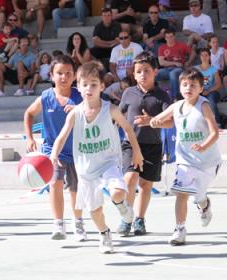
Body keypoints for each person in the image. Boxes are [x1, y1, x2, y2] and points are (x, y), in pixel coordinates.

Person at [50, 61, 143, 252]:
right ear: (79, 86)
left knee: (117, 192)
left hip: (108, 162)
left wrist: (137, 152)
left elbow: (128, 129)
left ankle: (122, 206)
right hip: (86, 168)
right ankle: (104, 233)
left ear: (102, 86)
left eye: (94, 84)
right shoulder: (75, 113)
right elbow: (61, 136)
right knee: (94, 210)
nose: (89, 88)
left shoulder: (111, 109)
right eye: (85, 84)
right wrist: (53, 156)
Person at [145, 68, 221, 245]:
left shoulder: (203, 106)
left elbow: (215, 133)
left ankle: (205, 205)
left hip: (206, 162)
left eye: (193, 85)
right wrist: (151, 121)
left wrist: (203, 145)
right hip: (185, 161)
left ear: (201, 88)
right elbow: (160, 120)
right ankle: (179, 229)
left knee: (198, 197)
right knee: (181, 193)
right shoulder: (176, 106)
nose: (188, 88)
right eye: (185, 84)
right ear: (179, 87)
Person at [24, 55, 87, 241]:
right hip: (53, 150)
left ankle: (78, 223)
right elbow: (28, 113)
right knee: (55, 183)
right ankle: (58, 223)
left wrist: (79, 109)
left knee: (76, 189)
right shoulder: (45, 97)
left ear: (74, 76)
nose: (64, 77)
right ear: (51, 75)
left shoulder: (81, 96)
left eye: (68, 73)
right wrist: (29, 138)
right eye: (59, 73)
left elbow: (94, 115)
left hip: (77, 150)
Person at [118, 51, 172, 236]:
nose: (143, 74)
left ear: (155, 71)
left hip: (153, 146)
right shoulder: (128, 93)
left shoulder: (162, 96)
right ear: (134, 73)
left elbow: (171, 122)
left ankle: (139, 220)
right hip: (131, 145)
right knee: (130, 179)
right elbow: (118, 115)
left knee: (146, 185)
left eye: (147, 70)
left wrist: (152, 121)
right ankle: (126, 218)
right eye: (139, 71)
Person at [156, 29, 195, 100]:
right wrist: (174, 63)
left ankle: (175, 97)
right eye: (167, 37)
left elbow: (193, 53)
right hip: (166, 69)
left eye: (171, 36)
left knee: (173, 74)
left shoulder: (181, 45)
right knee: (154, 73)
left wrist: (188, 62)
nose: (170, 39)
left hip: (179, 69)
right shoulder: (162, 48)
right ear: (165, 38)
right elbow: (161, 62)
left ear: (174, 36)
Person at [195, 48, 222, 127]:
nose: (204, 57)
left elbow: (218, 84)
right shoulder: (195, 69)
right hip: (199, 92)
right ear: (200, 57)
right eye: (202, 55)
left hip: (212, 92)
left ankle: (217, 124)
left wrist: (208, 91)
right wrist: (200, 91)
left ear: (209, 56)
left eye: (206, 55)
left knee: (210, 100)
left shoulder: (213, 69)